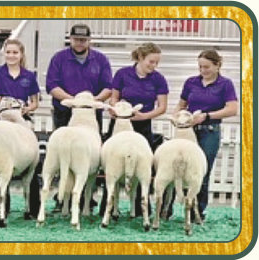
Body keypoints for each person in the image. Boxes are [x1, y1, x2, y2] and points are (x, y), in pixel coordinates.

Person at [46, 24, 113, 212]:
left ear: (89, 40)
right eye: (76, 39)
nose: (80, 43)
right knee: (63, 153)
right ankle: (62, 198)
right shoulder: (59, 58)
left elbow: (108, 86)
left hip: (90, 115)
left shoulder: (100, 59)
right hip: (65, 112)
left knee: (89, 155)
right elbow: (51, 85)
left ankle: (87, 197)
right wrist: (72, 100)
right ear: (70, 39)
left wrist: (91, 101)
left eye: (83, 40)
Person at [100, 42, 169, 217]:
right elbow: (114, 98)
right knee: (112, 162)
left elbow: (162, 107)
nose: (154, 66)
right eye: (151, 62)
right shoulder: (123, 74)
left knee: (141, 165)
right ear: (140, 58)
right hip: (120, 124)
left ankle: (139, 208)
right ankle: (107, 206)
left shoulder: (159, 79)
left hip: (142, 125)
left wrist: (144, 116)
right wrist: (116, 109)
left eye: (156, 63)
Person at [0, 38, 41, 217]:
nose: (11, 56)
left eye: (15, 52)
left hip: (21, 121)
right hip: (1, 119)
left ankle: (33, 208)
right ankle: (3, 205)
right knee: (0, 161)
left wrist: (27, 108)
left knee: (31, 160)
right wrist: (2, 100)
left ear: (21, 55)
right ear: (4, 54)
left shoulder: (29, 76)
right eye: (8, 52)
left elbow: (35, 102)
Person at [175, 49, 238, 221]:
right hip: (188, 130)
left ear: (217, 65)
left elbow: (232, 109)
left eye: (207, 67)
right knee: (177, 168)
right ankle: (169, 209)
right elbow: (181, 105)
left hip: (209, 130)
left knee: (201, 171)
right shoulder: (191, 82)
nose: (203, 70)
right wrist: (180, 118)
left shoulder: (225, 84)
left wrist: (207, 116)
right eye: (200, 67)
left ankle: (198, 212)